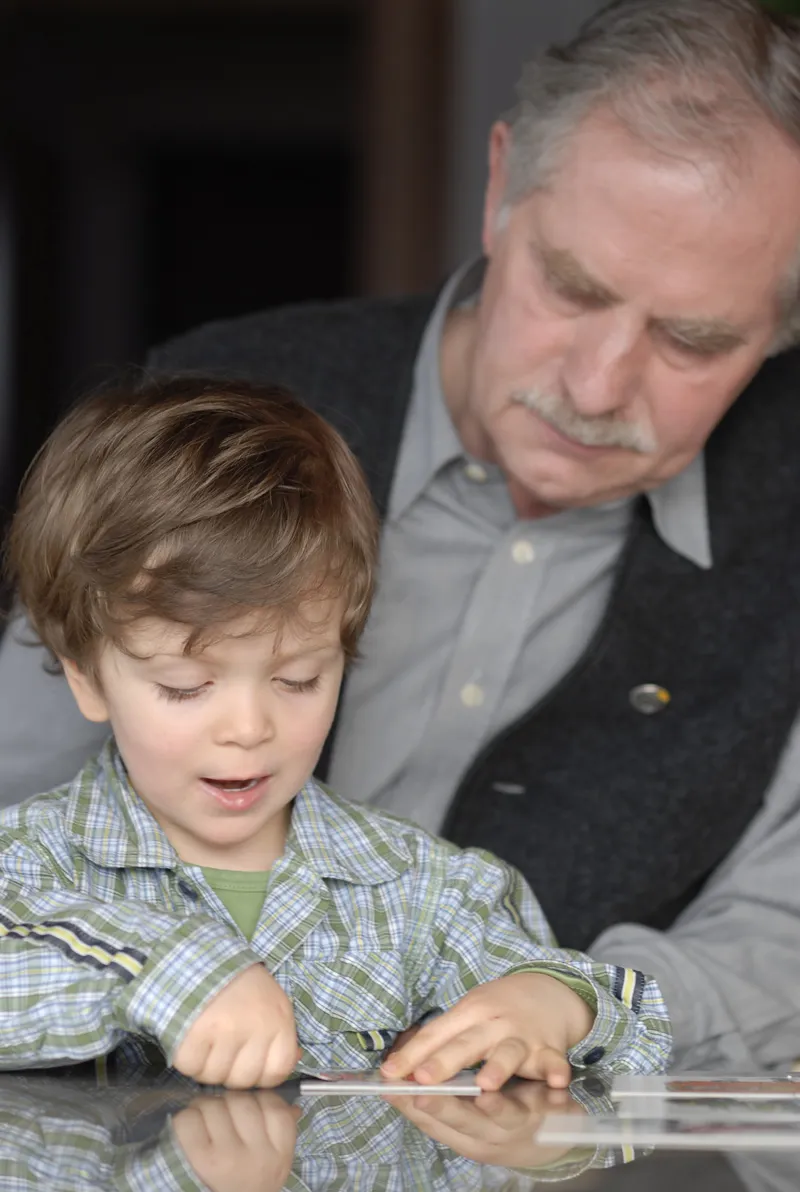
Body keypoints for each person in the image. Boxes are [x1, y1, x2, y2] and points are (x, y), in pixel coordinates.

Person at [1, 0, 799, 1071]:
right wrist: (148, 970)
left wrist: (570, 1004)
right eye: (570, 287)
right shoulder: (208, 420)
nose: (596, 384)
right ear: (498, 186)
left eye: (691, 340)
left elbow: (779, 933)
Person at [0, 377, 671, 1094]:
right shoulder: (25, 868)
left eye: (298, 680)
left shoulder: (428, 892)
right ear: (87, 679)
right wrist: (167, 966)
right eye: (186, 686)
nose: (250, 729)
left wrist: (554, 1003)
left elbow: (637, 1022)